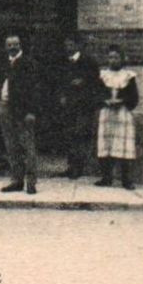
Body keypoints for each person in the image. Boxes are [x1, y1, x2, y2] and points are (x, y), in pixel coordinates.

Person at [0, 33, 41, 194]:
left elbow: (35, 89)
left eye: (15, 44)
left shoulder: (29, 63)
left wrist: (31, 111)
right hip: (5, 107)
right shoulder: (4, 64)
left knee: (27, 145)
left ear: (20, 45)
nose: (12, 47)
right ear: (5, 47)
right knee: (11, 146)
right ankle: (16, 179)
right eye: (9, 45)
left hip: (22, 110)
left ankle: (31, 181)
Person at [55, 36, 103, 179]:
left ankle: (79, 167)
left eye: (71, 44)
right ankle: (71, 166)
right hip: (69, 105)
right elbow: (58, 81)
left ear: (78, 45)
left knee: (80, 134)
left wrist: (83, 82)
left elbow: (96, 81)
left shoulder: (89, 62)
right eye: (66, 44)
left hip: (84, 105)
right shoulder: (63, 62)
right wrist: (62, 95)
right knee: (69, 134)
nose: (68, 47)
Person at [94, 45, 140, 189]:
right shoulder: (103, 75)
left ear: (121, 59)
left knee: (123, 145)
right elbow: (96, 93)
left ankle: (126, 180)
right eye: (110, 57)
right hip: (107, 113)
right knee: (106, 144)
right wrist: (104, 100)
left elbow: (134, 97)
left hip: (122, 114)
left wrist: (121, 101)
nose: (113, 60)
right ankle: (106, 177)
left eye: (116, 57)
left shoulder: (128, 76)